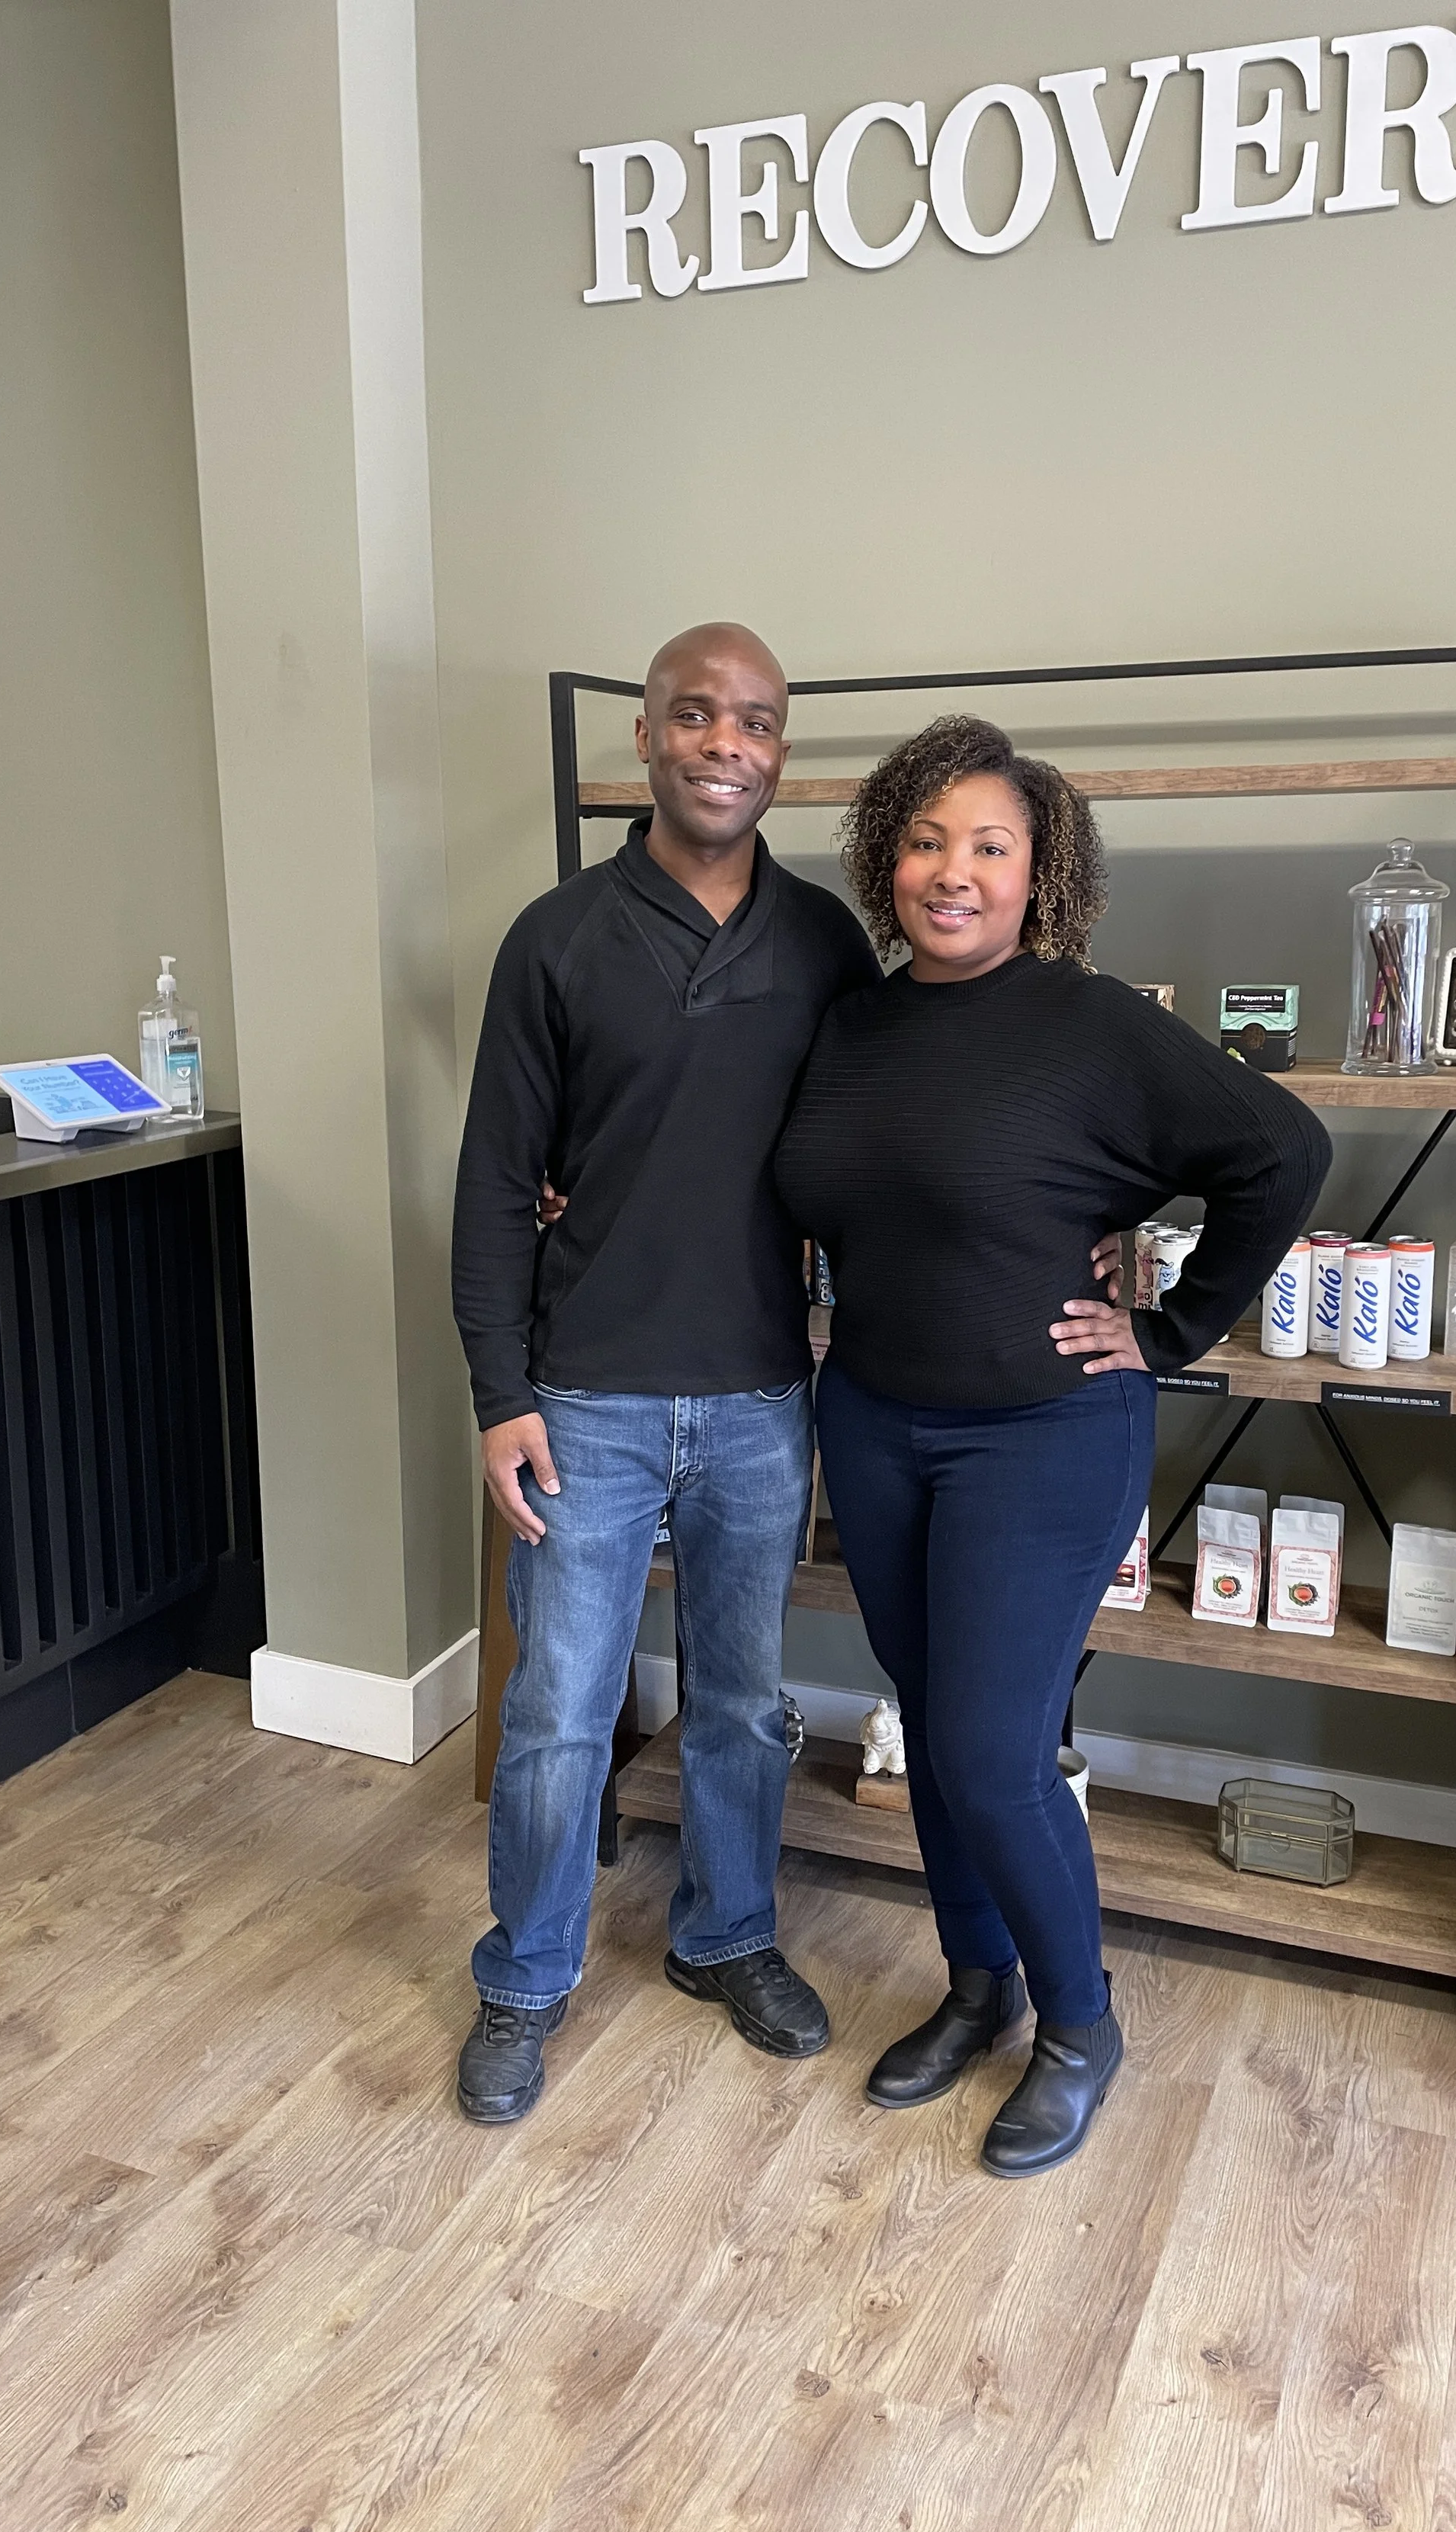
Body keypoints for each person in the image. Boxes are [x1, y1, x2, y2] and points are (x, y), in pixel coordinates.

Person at [775, 716, 1330, 2177]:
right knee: (932, 1725)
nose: (952, 872)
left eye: (990, 846)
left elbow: (1284, 1151)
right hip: (874, 1422)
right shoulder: (853, 1025)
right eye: (925, 841)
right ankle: (980, 1988)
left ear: (1042, 874)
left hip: (1043, 1436)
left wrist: (1174, 1327)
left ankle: (1081, 2026)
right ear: (886, 857)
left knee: (991, 1748)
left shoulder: (1091, 1024)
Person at [450, 622, 880, 2123]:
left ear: (780, 752)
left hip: (761, 1398)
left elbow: (880, 1142)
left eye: (753, 722)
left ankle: (726, 1935)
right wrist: (500, 1392)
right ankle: (525, 1978)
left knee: (743, 1705)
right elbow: (495, 1181)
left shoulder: (824, 945)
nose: (723, 745)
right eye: (694, 716)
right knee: (559, 1712)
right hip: (585, 1400)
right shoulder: (556, 938)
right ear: (643, 737)